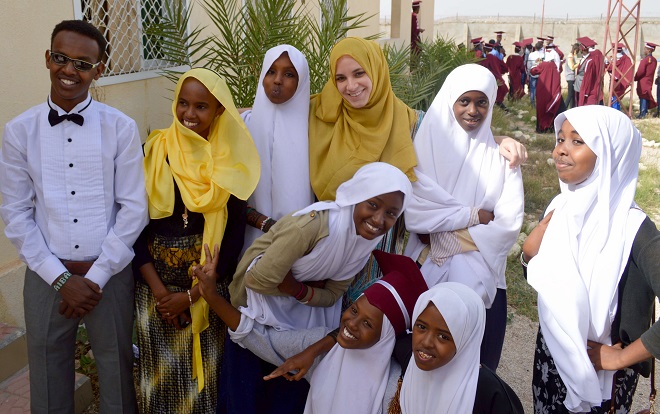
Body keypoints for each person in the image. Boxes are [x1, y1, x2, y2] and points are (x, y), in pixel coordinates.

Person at [308, 37, 527, 306]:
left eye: (359, 73)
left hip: (389, 248)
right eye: (340, 78)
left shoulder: (411, 123)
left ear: (376, 70)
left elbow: (458, 135)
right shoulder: (318, 117)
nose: (351, 86)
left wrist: (502, 141)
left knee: (380, 324)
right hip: (331, 245)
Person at [0, 20, 148, 413]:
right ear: (48, 59)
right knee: (46, 378)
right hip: (46, 275)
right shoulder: (19, 132)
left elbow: (134, 209)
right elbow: (16, 214)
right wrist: (62, 279)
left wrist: (95, 278)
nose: (70, 70)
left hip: (109, 276)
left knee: (117, 372)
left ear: (98, 70)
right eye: (62, 58)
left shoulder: (121, 128)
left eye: (83, 63)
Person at [220, 162, 413, 414]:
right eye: (373, 205)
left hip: (301, 321)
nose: (379, 220)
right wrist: (302, 289)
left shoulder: (364, 243)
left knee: (288, 396)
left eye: (391, 213)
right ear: (356, 196)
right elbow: (257, 279)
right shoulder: (313, 227)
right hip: (257, 311)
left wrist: (297, 289)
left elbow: (333, 295)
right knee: (248, 397)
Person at [133, 68, 260, 412]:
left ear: (219, 110)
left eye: (201, 106)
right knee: (160, 383)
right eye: (183, 104)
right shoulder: (154, 150)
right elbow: (133, 230)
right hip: (154, 292)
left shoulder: (230, 162)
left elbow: (233, 240)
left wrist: (191, 296)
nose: (189, 114)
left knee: (206, 385)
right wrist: (163, 296)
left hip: (207, 294)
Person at [523, 105, 659, 412]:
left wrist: (621, 358)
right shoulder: (562, 206)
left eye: (577, 141)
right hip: (552, 361)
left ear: (609, 154)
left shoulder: (635, 230)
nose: (560, 151)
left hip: (601, 377)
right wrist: (529, 257)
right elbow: (555, 285)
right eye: (560, 139)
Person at [404, 64, 524, 371]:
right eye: (464, 101)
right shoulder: (423, 149)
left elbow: (507, 224)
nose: (473, 110)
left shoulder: (502, 159)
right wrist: (474, 216)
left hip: (481, 280)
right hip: (423, 271)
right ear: (450, 101)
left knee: (472, 369)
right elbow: (415, 213)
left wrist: (446, 235)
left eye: (481, 102)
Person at [261, 250, 428, 414]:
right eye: (354, 310)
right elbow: (260, 338)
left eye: (367, 324)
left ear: (385, 337)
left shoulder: (393, 389)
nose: (352, 323)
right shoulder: (326, 353)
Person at [393, 282, 524, 414]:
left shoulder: (492, 397)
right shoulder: (411, 360)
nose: (426, 342)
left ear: (466, 341)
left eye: (443, 337)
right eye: (421, 327)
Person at [241, 45, 314, 252]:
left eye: (289, 74)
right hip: (250, 239)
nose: (277, 80)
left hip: (298, 242)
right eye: (271, 72)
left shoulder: (314, 129)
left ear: (301, 83)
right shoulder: (244, 125)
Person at [531, 60, 565, 133]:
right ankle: (553, 127)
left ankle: (542, 128)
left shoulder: (543, 64)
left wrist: (535, 65)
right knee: (555, 108)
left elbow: (533, 71)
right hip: (554, 90)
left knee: (542, 108)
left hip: (543, 89)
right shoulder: (557, 64)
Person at [480, 43, 510, 110]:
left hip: (490, 78)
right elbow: (504, 67)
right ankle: (499, 104)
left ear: (486, 50)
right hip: (498, 77)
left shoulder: (486, 58)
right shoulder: (495, 58)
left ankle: (496, 104)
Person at [577, 36, 605, 106]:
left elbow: (588, 76)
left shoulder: (590, 59)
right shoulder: (598, 55)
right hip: (593, 82)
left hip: (587, 85)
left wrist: (585, 92)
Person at [606, 43, 633, 111]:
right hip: (618, 81)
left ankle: (615, 112)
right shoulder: (626, 59)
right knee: (615, 99)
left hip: (617, 82)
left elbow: (610, 68)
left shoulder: (617, 59)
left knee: (615, 98)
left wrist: (609, 61)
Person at [634, 41, 658, 118]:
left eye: (645, 49)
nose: (644, 50)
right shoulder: (654, 60)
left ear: (649, 50)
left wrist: (636, 78)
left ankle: (642, 113)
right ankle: (645, 112)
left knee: (643, 95)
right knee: (646, 95)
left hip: (643, 80)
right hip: (649, 80)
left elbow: (641, 71)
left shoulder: (645, 60)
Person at [527, 41, 544, 106]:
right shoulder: (543, 54)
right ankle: (539, 103)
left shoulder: (531, 54)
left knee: (532, 89)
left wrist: (528, 73)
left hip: (533, 73)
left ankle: (532, 103)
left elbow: (529, 65)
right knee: (540, 90)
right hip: (540, 73)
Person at [564, 43, 580, 108]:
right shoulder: (570, 56)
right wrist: (579, 63)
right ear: (575, 50)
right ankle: (564, 108)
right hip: (570, 77)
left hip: (571, 77)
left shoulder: (572, 56)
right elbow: (572, 67)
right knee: (570, 95)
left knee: (572, 95)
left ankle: (572, 107)